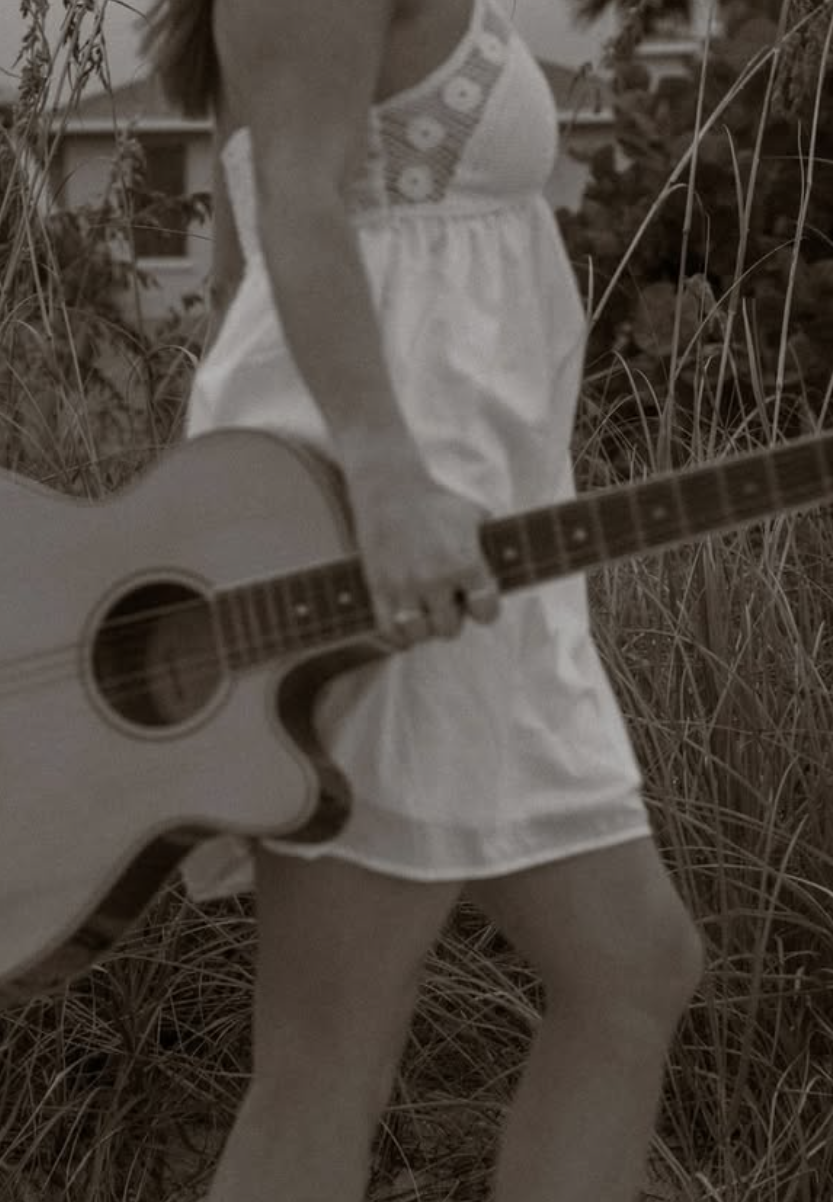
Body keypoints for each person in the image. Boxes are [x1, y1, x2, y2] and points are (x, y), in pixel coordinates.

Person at [140, 2, 705, 1200]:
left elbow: (248, 256)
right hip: (393, 542)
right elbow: (290, 203)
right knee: (328, 1053)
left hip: (491, 550)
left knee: (633, 966)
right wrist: (377, 491)